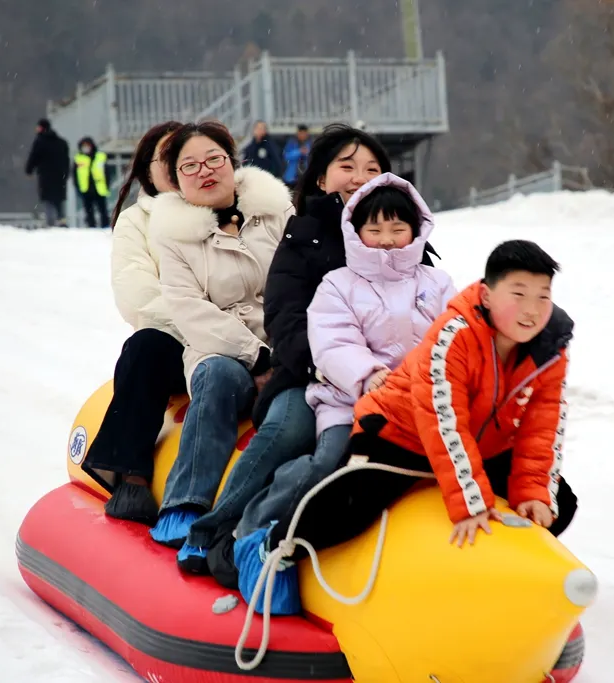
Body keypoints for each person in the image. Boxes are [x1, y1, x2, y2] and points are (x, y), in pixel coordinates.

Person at [233, 240, 580, 615]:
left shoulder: (550, 349)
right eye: (518, 293)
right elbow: (442, 419)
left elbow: (543, 425)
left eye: (543, 296)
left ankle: (504, 581)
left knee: (559, 500)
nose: (532, 310)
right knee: (352, 504)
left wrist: (534, 494)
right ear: (487, 294)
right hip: (400, 431)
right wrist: (470, 502)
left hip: (479, 443)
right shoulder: (455, 334)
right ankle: (274, 544)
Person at [175, 124, 437, 578]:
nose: (359, 176)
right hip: (311, 376)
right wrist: (329, 369)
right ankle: (216, 529)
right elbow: (284, 317)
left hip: (395, 388)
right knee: (288, 431)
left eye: (372, 168)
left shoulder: (408, 243)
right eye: (347, 166)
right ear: (320, 178)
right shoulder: (303, 235)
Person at [146, 120, 293, 552]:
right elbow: (191, 312)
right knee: (218, 380)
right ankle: (185, 503)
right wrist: (258, 358)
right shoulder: (172, 237)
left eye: (214, 159)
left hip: (289, 338)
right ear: (175, 180)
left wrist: (286, 351)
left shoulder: (277, 211)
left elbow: (305, 281)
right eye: (190, 166)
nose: (206, 170)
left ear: (233, 161)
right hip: (221, 348)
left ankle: (264, 521)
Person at [80, 120, 186, 525]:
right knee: (145, 347)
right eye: (168, 157)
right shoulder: (136, 222)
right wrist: (205, 327)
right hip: (178, 342)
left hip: (243, 342)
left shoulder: (232, 212)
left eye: (187, 156)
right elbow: (139, 298)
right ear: (147, 168)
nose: (180, 165)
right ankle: (132, 477)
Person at [25, 119, 70, 226]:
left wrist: (29, 170)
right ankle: (62, 220)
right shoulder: (61, 142)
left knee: (48, 200)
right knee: (59, 200)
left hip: (46, 176)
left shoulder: (40, 142)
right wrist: (66, 173)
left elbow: (34, 157)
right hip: (60, 176)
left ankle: (50, 222)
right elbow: (66, 160)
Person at [74, 136, 112, 228]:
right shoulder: (78, 158)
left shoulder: (100, 157)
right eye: (84, 146)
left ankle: (105, 226)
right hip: (86, 189)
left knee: (103, 210)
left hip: (99, 188)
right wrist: (78, 188)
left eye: (87, 145)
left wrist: (107, 185)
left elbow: (107, 172)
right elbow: (75, 175)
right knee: (89, 211)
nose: (86, 148)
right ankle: (92, 226)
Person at [282, 124, 311, 189]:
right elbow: (286, 156)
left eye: (304, 133)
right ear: (297, 133)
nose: (302, 135)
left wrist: (307, 153)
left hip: (305, 178)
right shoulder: (291, 143)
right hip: (291, 178)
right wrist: (299, 152)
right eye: (301, 133)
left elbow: (314, 157)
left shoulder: (310, 144)